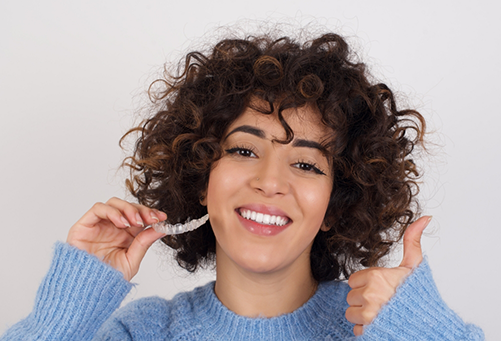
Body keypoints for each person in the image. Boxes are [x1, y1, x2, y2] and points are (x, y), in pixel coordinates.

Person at [1, 32, 484, 340]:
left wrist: (424, 333)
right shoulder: (141, 332)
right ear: (201, 180)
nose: (270, 181)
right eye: (245, 150)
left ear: (336, 205)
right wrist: (67, 312)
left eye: (308, 166)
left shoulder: (386, 327)